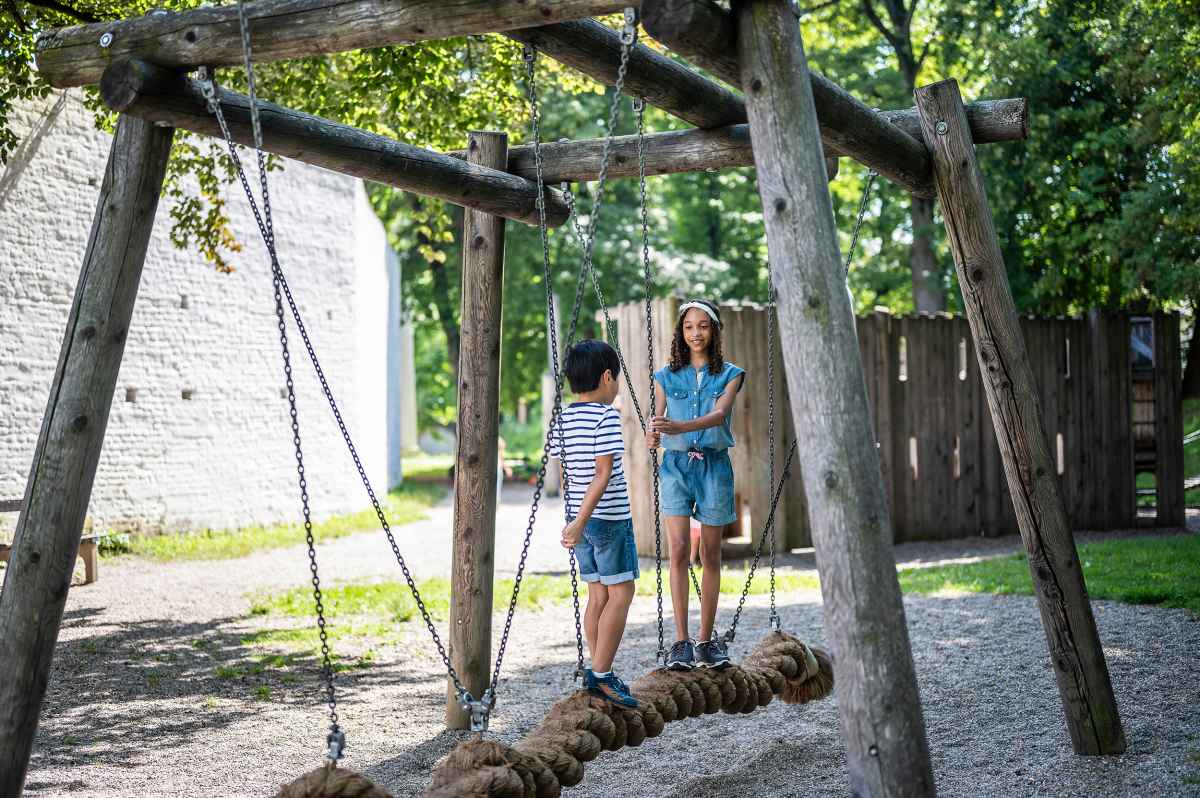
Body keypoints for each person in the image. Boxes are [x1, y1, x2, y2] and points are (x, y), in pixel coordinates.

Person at [646, 299, 745, 671]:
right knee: (677, 550)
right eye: (689, 327)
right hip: (675, 467)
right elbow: (656, 419)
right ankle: (681, 642)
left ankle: (707, 641)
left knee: (712, 554)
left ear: (714, 330)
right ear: (681, 333)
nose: (696, 333)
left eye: (703, 326)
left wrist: (678, 427)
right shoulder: (665, 376)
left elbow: (719, 415)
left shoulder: (731, 374)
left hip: (714, 468)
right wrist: (651, 433)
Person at [549, 339, 639, 708]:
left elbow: (568, 474)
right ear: (606, 377)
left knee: (597, 594)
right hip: (608, 518)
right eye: (615, 378)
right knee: (622, 593)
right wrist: (581, 521)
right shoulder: (606, 416)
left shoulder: (562, 418)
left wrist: (574, 522)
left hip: (579, 521)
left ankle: (597, 667)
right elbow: (602, 475)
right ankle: (601, 674)